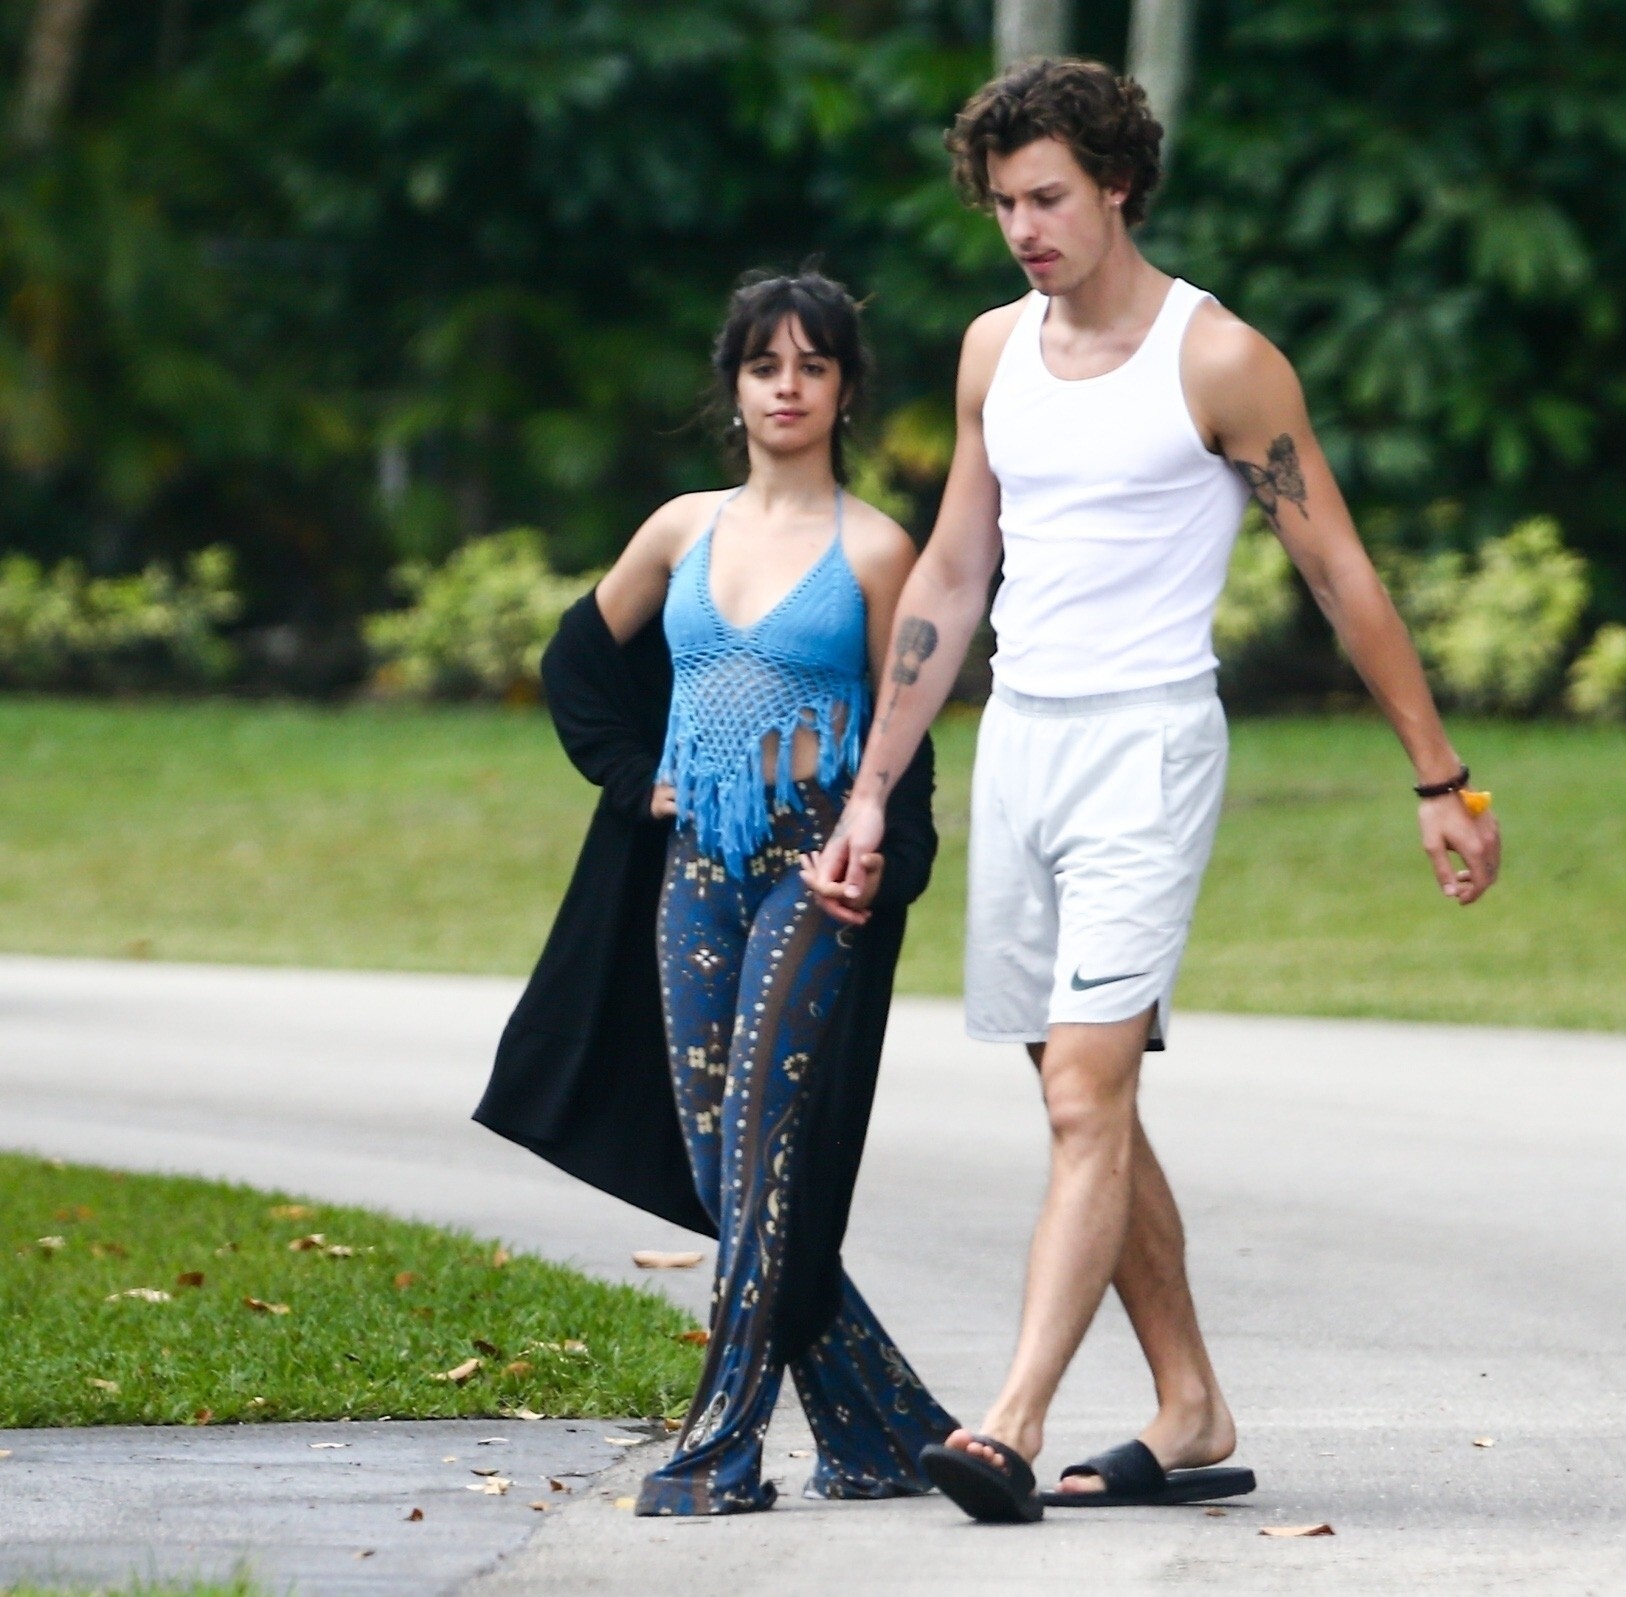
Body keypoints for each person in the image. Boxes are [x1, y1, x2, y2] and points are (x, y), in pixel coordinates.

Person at [802, 59, 1503, 1523]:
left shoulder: (1218, 359)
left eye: (1047, 197)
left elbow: (1337, 570)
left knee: (1081, 1090)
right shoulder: (993, 351)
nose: (1023, 228)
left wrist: (1438, 774)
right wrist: (871, 792)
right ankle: (1190, 1406)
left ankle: (1005, 1423)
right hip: (1023, 745)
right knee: (1083, 1095)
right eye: (1003, 203)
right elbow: (952, 575)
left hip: (1148, 747)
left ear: (1117, 185)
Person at [476, 268, 957, 1518]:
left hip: (812, 871)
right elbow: (577, 662)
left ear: (844, 389)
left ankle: (721, 1447)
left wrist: (888, 860)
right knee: (723, 1168)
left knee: (759, 1151)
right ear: (732, 385)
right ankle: (887, 1433)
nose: (786, 387)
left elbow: (905, 735)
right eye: (763, 365)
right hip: (693, 871)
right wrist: (635, 779)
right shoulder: (679, 529)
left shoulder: (877, 549)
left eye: (812, 366)